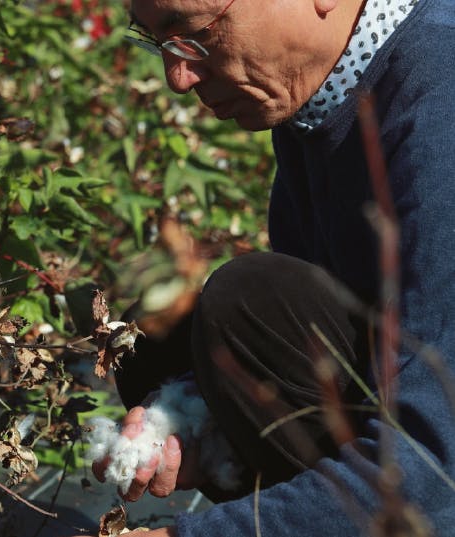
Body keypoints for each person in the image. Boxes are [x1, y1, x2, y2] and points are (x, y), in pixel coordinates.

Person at [80, 0, 455, 535]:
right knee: (153, 344)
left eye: (192, 33)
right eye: (158, 42)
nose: (178, 77)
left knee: (248, 302)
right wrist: (202, 422)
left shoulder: (442, 101)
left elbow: (440, 461)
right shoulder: (323, 100)